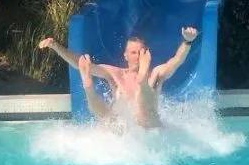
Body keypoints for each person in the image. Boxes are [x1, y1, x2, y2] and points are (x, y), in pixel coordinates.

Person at [38, 26, 200, 129]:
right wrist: (55, 46)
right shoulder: (116, 74)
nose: (136, 56)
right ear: (126, 56)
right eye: (133, 52)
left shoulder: (156, 74)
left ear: (146, 54)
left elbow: (176, 61)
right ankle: (88, 86)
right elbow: (80, 64)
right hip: (125, 132)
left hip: (150, 131)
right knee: (108, 118)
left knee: (146, 115)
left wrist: (187, 42)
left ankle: (140, 80)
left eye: (139, 52)